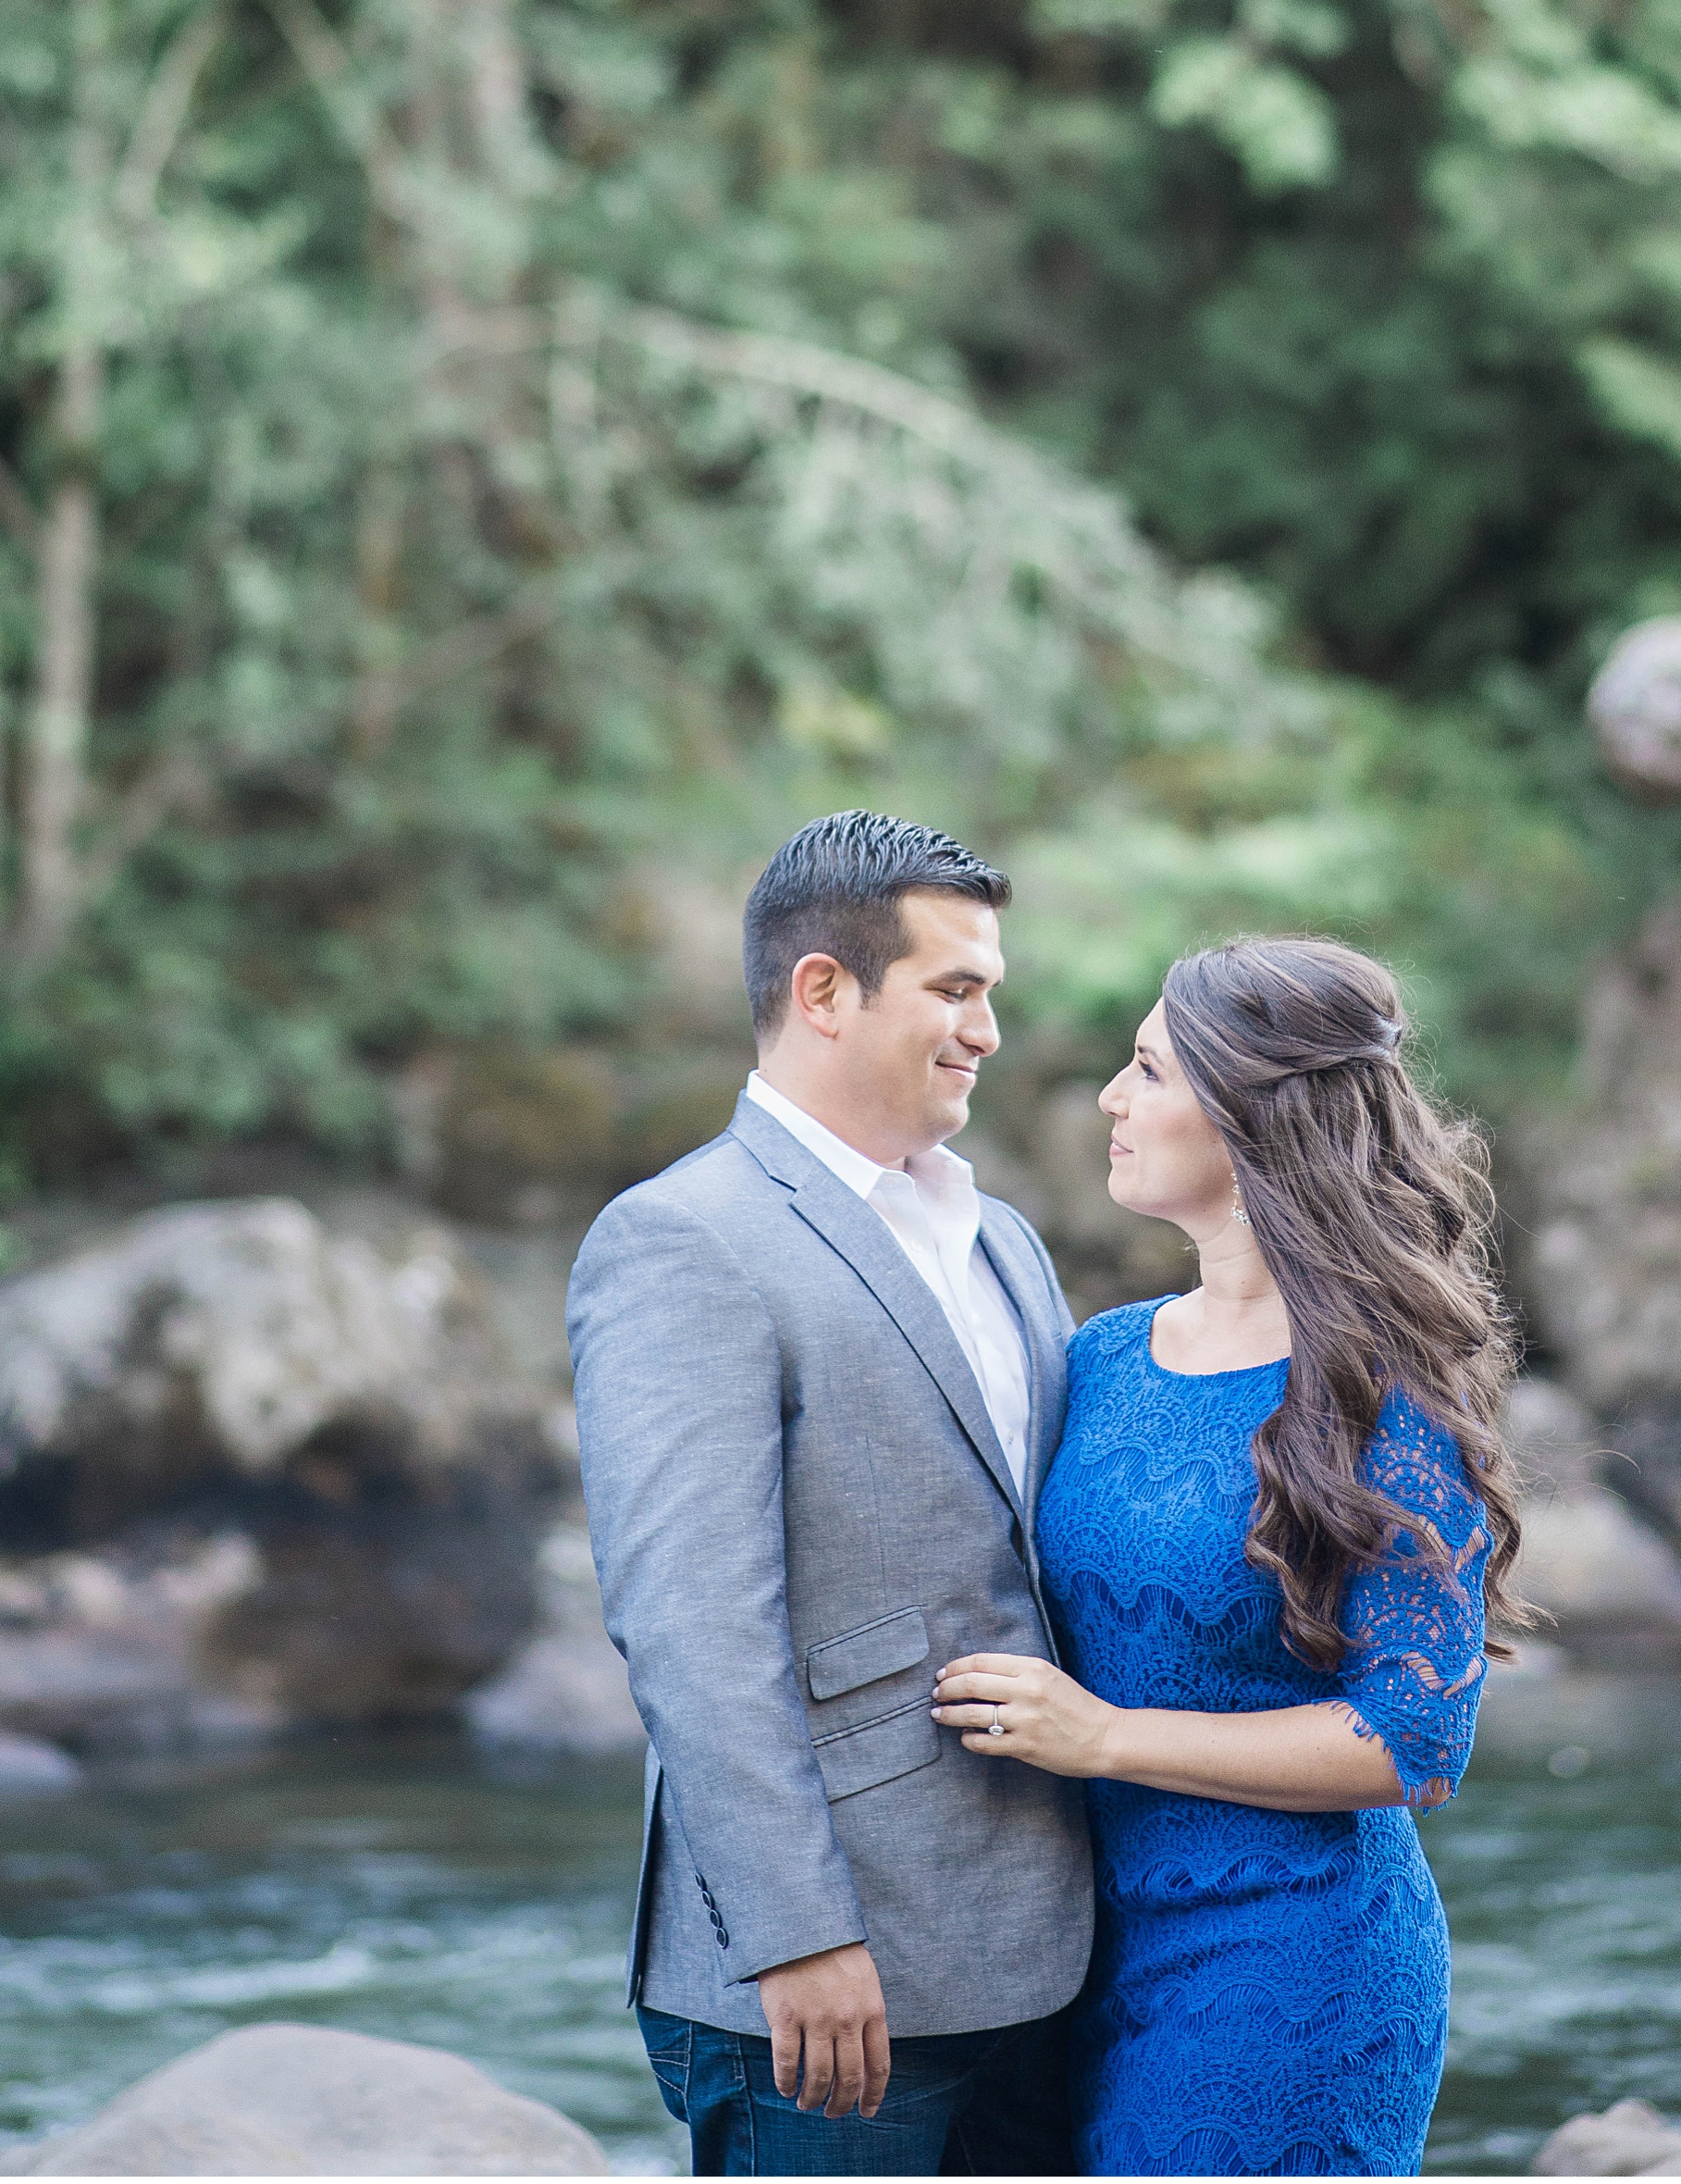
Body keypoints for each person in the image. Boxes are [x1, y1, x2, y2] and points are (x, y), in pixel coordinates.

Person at [932, 937, 1526, 2179]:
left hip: (1292, 1964)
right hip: (1073, 1955)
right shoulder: (1101, 1354)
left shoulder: (1385, 1394)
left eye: (1147, 1068)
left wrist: (1106, 1737)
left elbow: (1412, 1741)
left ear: (1253, 1117)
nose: (1111, 1094)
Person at [567, 811, 1094, 2178]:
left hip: (1046, 1943)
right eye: (955, 988)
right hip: (826, 1973)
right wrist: (798, 1932)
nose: (987, 1028)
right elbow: (690, 1623)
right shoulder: (682, 1239)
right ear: (822, 991)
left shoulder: (1006, 1241)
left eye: (992, 992)